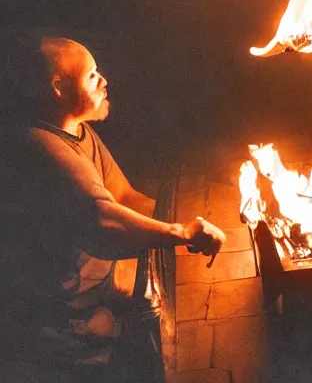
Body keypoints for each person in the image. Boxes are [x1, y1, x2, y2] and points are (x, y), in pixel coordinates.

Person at [0, 36, 226, 382]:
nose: (104, 80)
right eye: (91, 76)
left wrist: (174, 223)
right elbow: (104, 221)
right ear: (57, 87)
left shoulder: (78, 131)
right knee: (123, 336)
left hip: (97, 278)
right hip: (65, 305)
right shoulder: (42, 148)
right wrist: (181, 234)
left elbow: (122, 193)